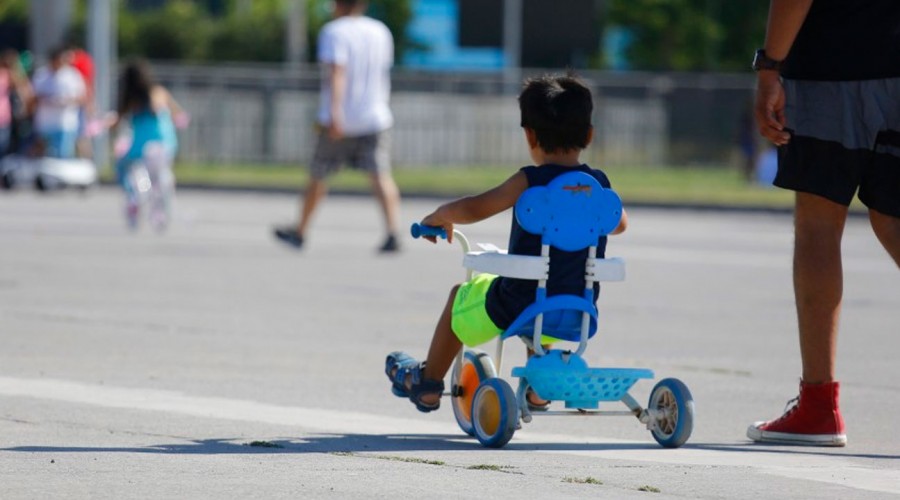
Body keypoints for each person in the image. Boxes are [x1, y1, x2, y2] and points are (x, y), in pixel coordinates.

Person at [384, 74, 628, 412]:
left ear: (529, 135)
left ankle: (428, 382)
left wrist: (442, 214)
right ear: (589, 134)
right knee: (547, 290)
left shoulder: (530, 181)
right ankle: (538, 388)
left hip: (515, 303)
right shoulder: (598, 185)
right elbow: (619, 224)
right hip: (578, 305)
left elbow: (476, 207)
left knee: (463, 295)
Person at [747, 0, 900, 447]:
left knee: (818, 225)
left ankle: (818, 406)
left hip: (828, 72)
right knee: (893, 219)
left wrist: (769, 66)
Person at [273, 0, 401, 253]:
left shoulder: (334, 31)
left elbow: (337, 73)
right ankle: (392, 231)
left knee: (319, 175)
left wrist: (334, 113)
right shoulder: (380, 31)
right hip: (375, 115)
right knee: (380, 174)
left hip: (342, 117)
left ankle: (300, 231)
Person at [111, 60, 186, 223]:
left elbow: (117, 120)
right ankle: (158, 201)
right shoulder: (158, 91)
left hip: (141, 143)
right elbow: (176, 112)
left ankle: (136, 195)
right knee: (159, 174)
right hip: (165, 141)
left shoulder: (131, 98)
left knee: (127, 168)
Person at [30, 47, 85, 159]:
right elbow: (32, 97)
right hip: (44, 123)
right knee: (43, 157)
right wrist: (46, 99)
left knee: (63, 156)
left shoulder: (72, 75)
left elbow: (81, 97)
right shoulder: (41, 75)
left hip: (65, 123)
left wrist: (65, 100)